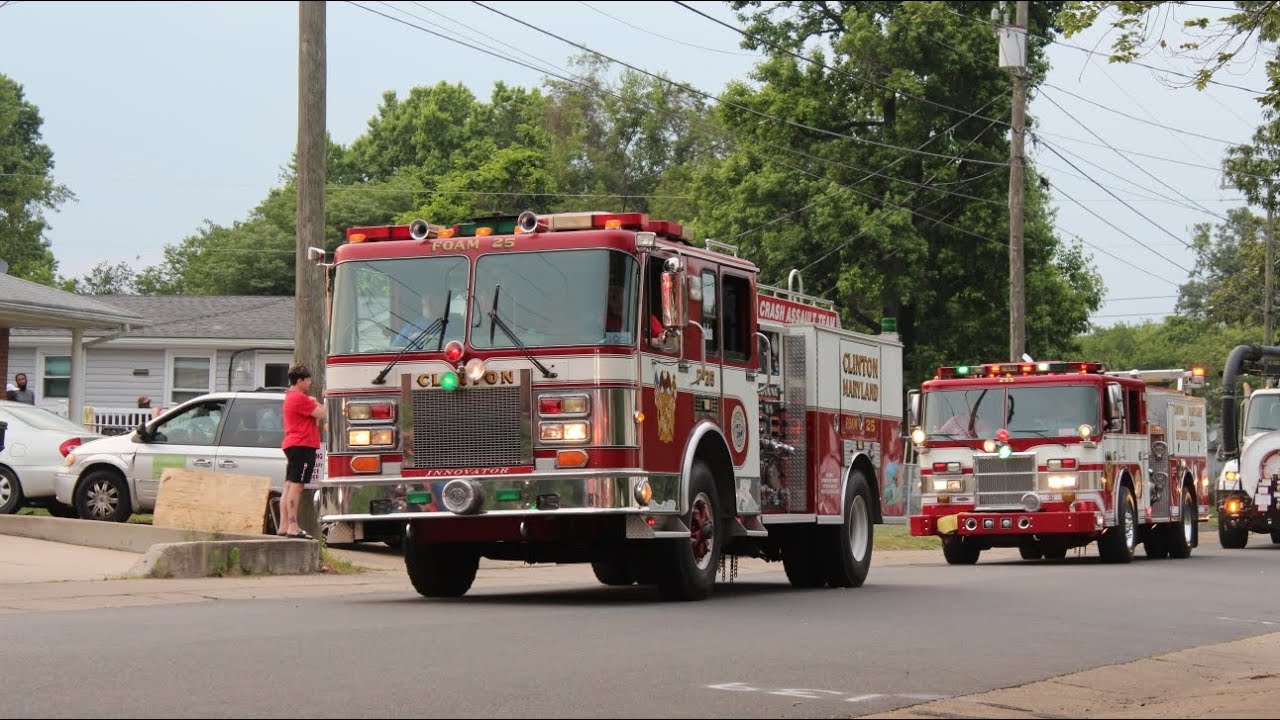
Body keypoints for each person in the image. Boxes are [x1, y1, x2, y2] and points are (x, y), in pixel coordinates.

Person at [279, 364, 326, 539]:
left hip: (293, 443)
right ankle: (293, 526)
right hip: (303, 444)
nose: (310, 383)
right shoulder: (299, 397)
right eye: (307, 380)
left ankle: (284, 525)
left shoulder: (291, 397)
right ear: (300, 381)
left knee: (290, 484)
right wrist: (319, 401)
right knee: (297, 486)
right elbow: (322, 413)